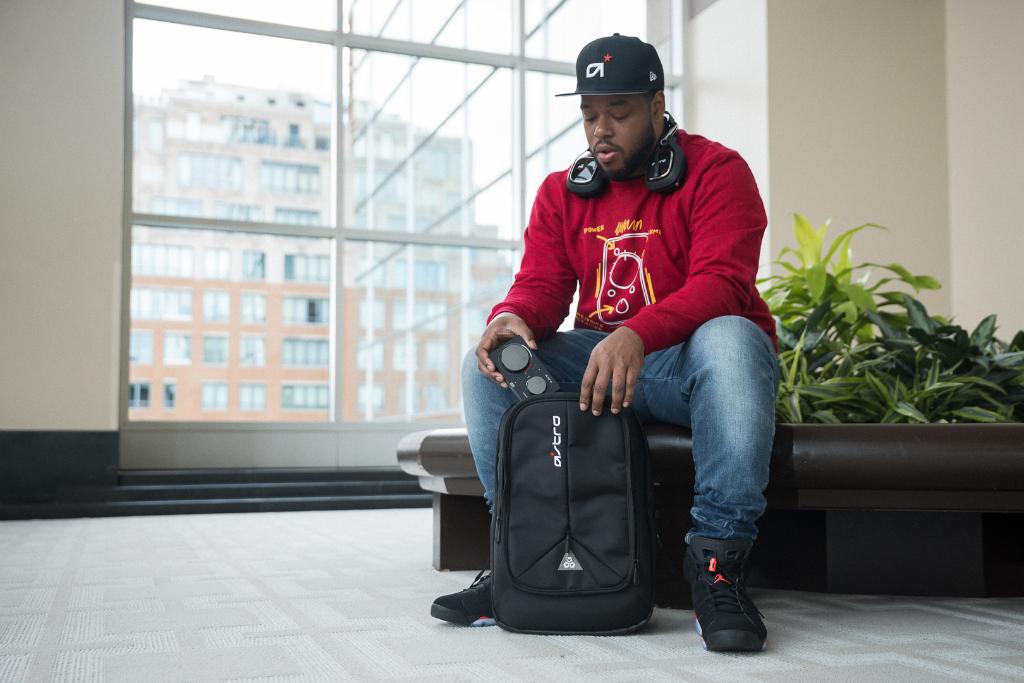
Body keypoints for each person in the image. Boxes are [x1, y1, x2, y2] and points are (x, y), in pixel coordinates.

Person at [430, 33, 780, 653]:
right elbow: (541, 286)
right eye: (590, 114)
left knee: (733, 337)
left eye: (618, 112)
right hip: (599, 367)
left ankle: (717, 566)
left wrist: (636, 334)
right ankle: (517, 553)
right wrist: (512, 317)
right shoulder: (562, 192)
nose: (600, 130)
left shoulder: (718, 171)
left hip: (686, 365)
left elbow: (723, 283)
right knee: (490, 364)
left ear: (657, 105)